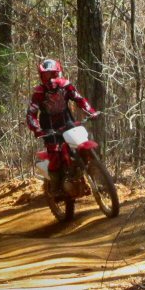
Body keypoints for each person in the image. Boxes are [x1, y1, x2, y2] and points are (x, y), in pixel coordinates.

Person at [25, 58, 99, 197]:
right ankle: (55, 188)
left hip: (68, 123)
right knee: (55, 157)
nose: (50, 79)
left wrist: (91, 112)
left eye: (53, 74)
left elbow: (79, 99)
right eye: (47, 75)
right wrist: (37, 128)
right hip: (49, 129)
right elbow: (31, 113)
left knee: (82, 145)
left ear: (58, 73)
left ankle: (91, 176)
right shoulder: (39, 93)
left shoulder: (66, 86)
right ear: (41, 76)